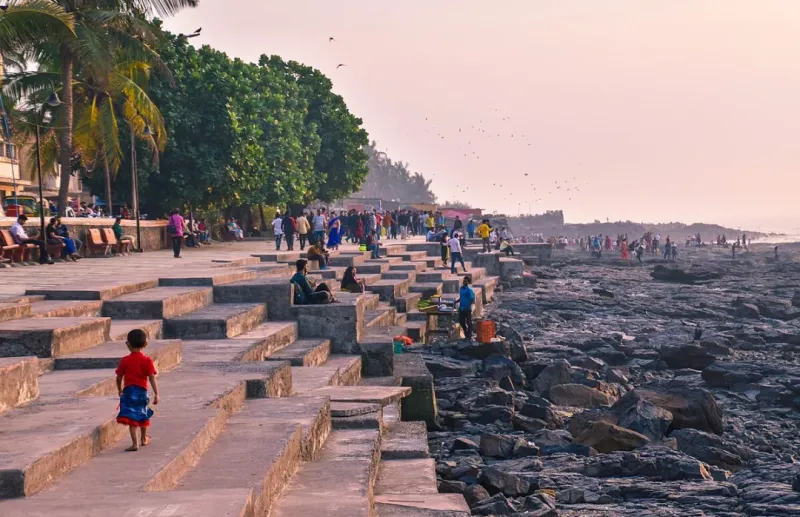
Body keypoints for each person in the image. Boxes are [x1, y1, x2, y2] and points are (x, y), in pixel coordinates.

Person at [115, 329, 160, 452]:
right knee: (142, 415)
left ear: (127, 344)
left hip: (129, 392)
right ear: (145, 344)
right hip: (141, 392)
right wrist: (156, 394)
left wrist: (120, 390)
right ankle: (144, 438)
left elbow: (119, 378)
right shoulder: (147, 361)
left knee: (132, 419)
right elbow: (152, 378)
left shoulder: (125, 360)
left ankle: (135, 443)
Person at [458, 276, 476, 341]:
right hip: (461, 308)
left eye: (465, 281)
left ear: (468, 282)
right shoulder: (461, 289)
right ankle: (466, 333)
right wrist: (456, 301)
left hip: (467, 309)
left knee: (468, 322)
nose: (464, 282)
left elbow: (472, 300)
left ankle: (469, 335)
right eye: (464, 280)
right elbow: (461, 297)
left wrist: (468, 307)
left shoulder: (469, 290)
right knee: (461, 322)